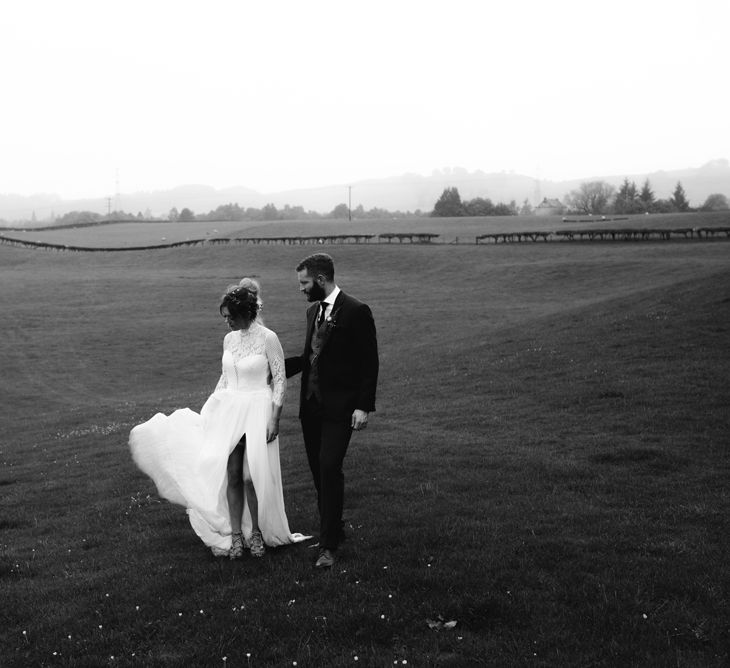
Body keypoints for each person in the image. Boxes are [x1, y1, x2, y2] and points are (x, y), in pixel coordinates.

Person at [129, 280, 309, 559]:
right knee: (233, 475)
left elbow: (281, 381)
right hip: (229, 410)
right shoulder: (229, 339)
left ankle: (258, 532)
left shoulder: (268, 338)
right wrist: (211, 409)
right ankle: (237, 535)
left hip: (257, 410)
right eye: (224, 317)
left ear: (245, 313)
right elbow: (226, 377)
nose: (226, 322)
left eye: (230, 317)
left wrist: (275, 419)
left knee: (252, 477)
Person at [286, 253, 379, 568]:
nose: (301, 289)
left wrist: (363, 406)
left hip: (340, 409)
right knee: (318, 473)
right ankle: (334, 529)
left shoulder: (356, 311)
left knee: (329, 467)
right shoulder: (313, 311)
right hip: (310, 408)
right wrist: (269, 368)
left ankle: (328, 547)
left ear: (321, 280)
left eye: (304, 283)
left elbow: (369, 363)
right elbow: (309, 356)